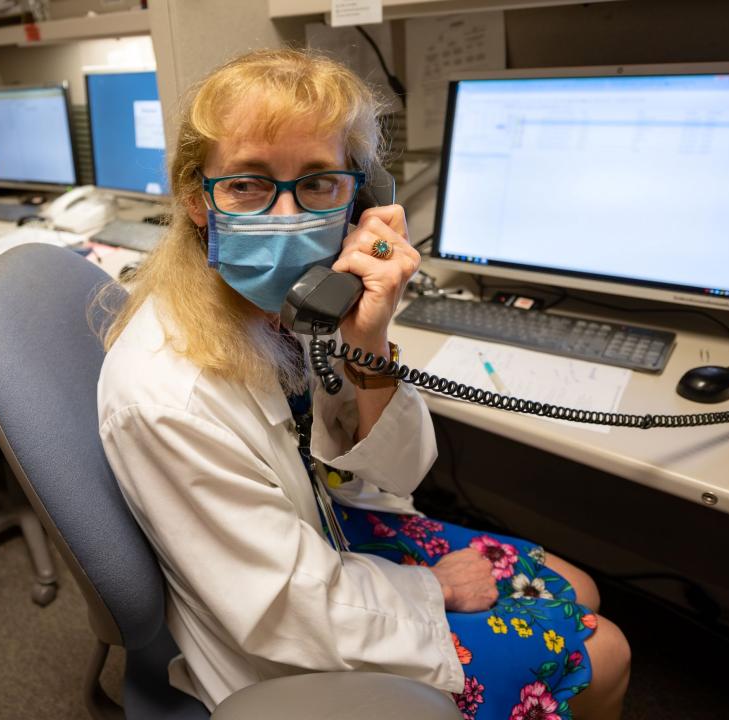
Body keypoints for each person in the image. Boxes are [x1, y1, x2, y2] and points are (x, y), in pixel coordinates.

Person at [96, 49, 631, 719]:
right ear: (194, 200)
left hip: (334, 527)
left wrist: (368, 343)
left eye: (319, 182)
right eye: (248, 183)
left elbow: (398, 472)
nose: (286, 214)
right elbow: (285, 610)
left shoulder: (300, 304)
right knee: (605, 652)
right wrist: (431, 591)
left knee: (580, 586)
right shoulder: (166, 393)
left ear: (363, 197)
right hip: (291, 638)